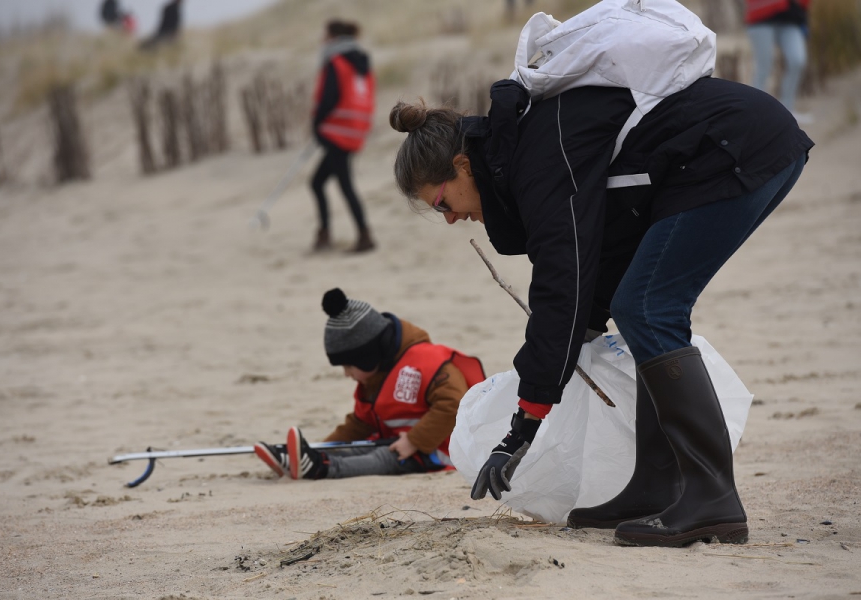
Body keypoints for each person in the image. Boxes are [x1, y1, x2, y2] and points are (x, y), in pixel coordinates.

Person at [388, 73, 812, 547]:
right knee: (641, 309)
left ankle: (713, 497)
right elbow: (599, 261)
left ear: (464, 165)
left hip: (735, 147)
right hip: (725, 150)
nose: (449, 218)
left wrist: (521, 426)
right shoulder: (526, 155)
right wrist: (583, 335)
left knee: (648, 309)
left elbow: (561, 283)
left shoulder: (536, 163)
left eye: (442, 202)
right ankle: (656, 488)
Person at [254, 288, 485, 480]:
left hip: (440, 449)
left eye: (349, 366)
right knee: (360, 446)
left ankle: (319, 468)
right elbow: (361, 423)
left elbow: (454, 405)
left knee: (383, 458)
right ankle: (307, 457)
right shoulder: (375, 376)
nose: (347, 374)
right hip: (399, 442)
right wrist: (322, 446)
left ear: (369, 356)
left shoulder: (431, 364)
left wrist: (415, 440)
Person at [309, 20, 376, 253]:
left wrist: (317, 125)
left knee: (344, 185)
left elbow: (329, 97)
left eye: (325, 35)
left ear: (334, 37)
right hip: (355, 130)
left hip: (337, 132)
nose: (322, 39)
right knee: (318, 182)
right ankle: (327, 234)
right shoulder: (361, 63)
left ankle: (363, 236)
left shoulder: (336, 62)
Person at [746, 0, 812, 121]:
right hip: (760, 18)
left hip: (791, 18)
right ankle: (755, 114)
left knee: (797, 60)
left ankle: (787, 110)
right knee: (764, 67)